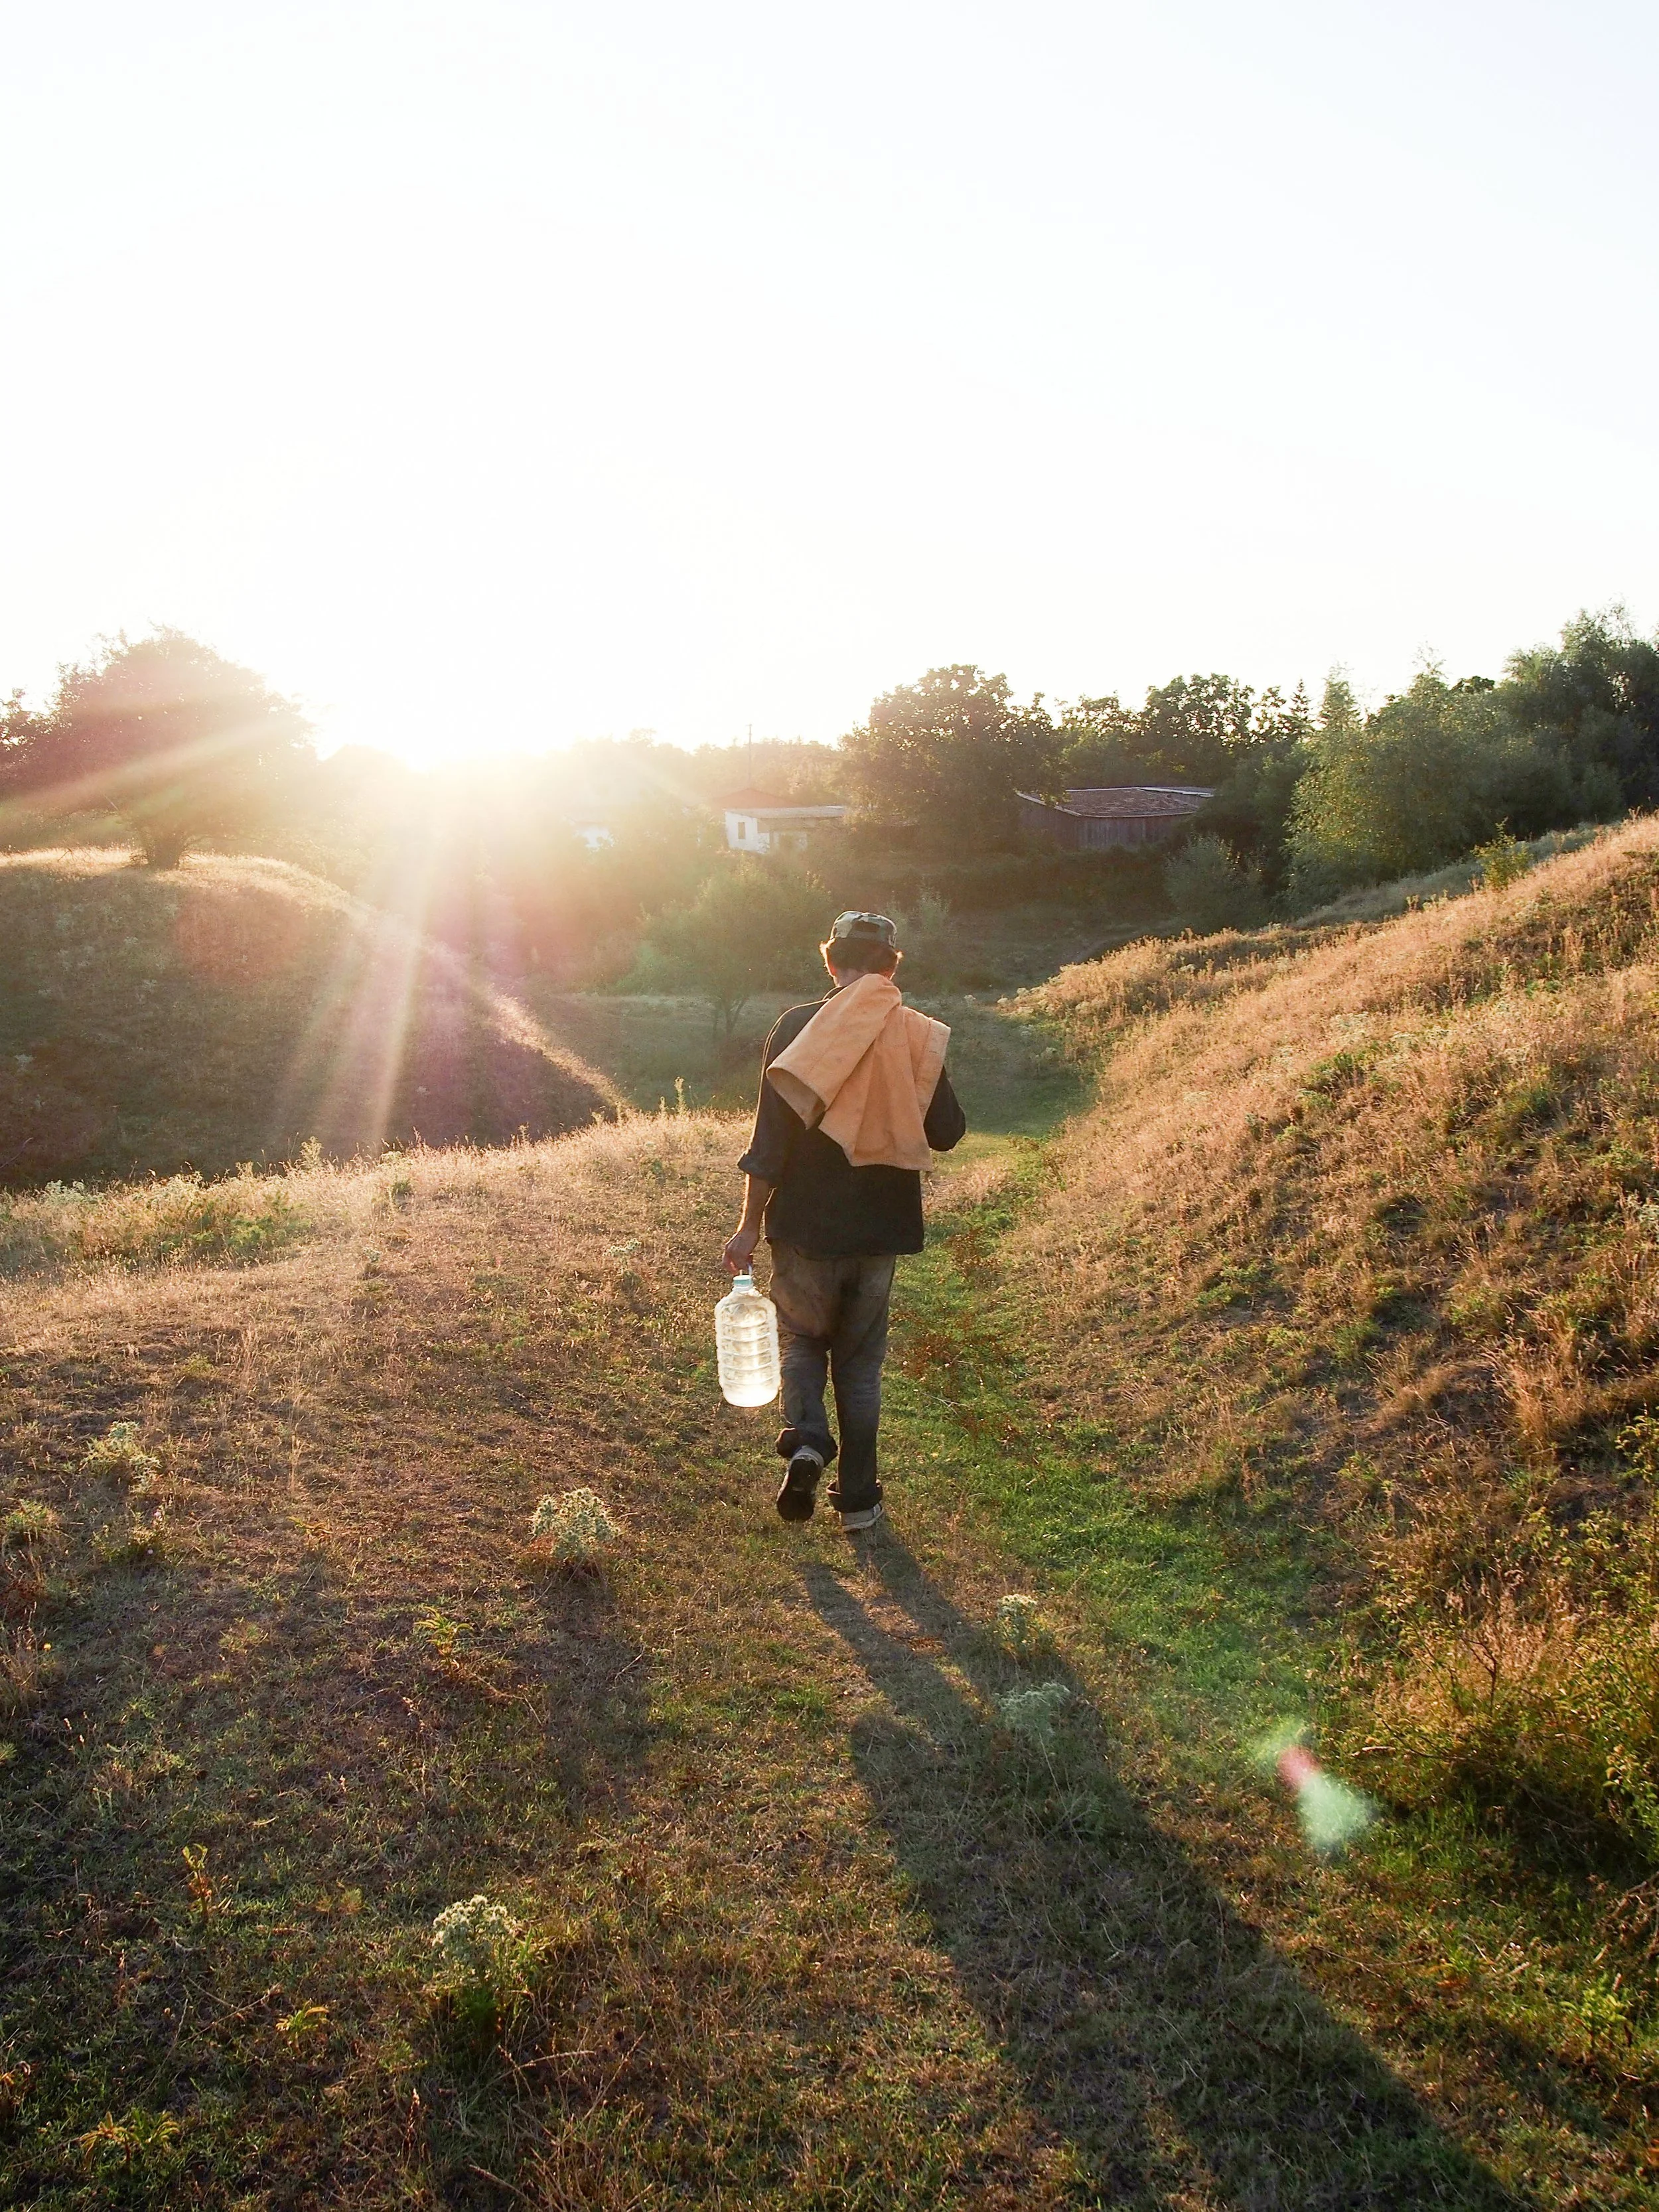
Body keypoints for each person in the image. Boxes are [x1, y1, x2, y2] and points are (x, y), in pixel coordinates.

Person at [722, 910, 967, 1532]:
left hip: (804, 1227)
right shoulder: (913, 1032)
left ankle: (806, 1443)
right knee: (859, 1366)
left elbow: (769, 1140)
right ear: (890, 966)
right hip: (880, 1232)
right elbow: (949, 1133)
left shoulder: (799, 1026)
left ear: (831, 962)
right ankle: (858, 1502)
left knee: (804, 1342)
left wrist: (749, 1225)